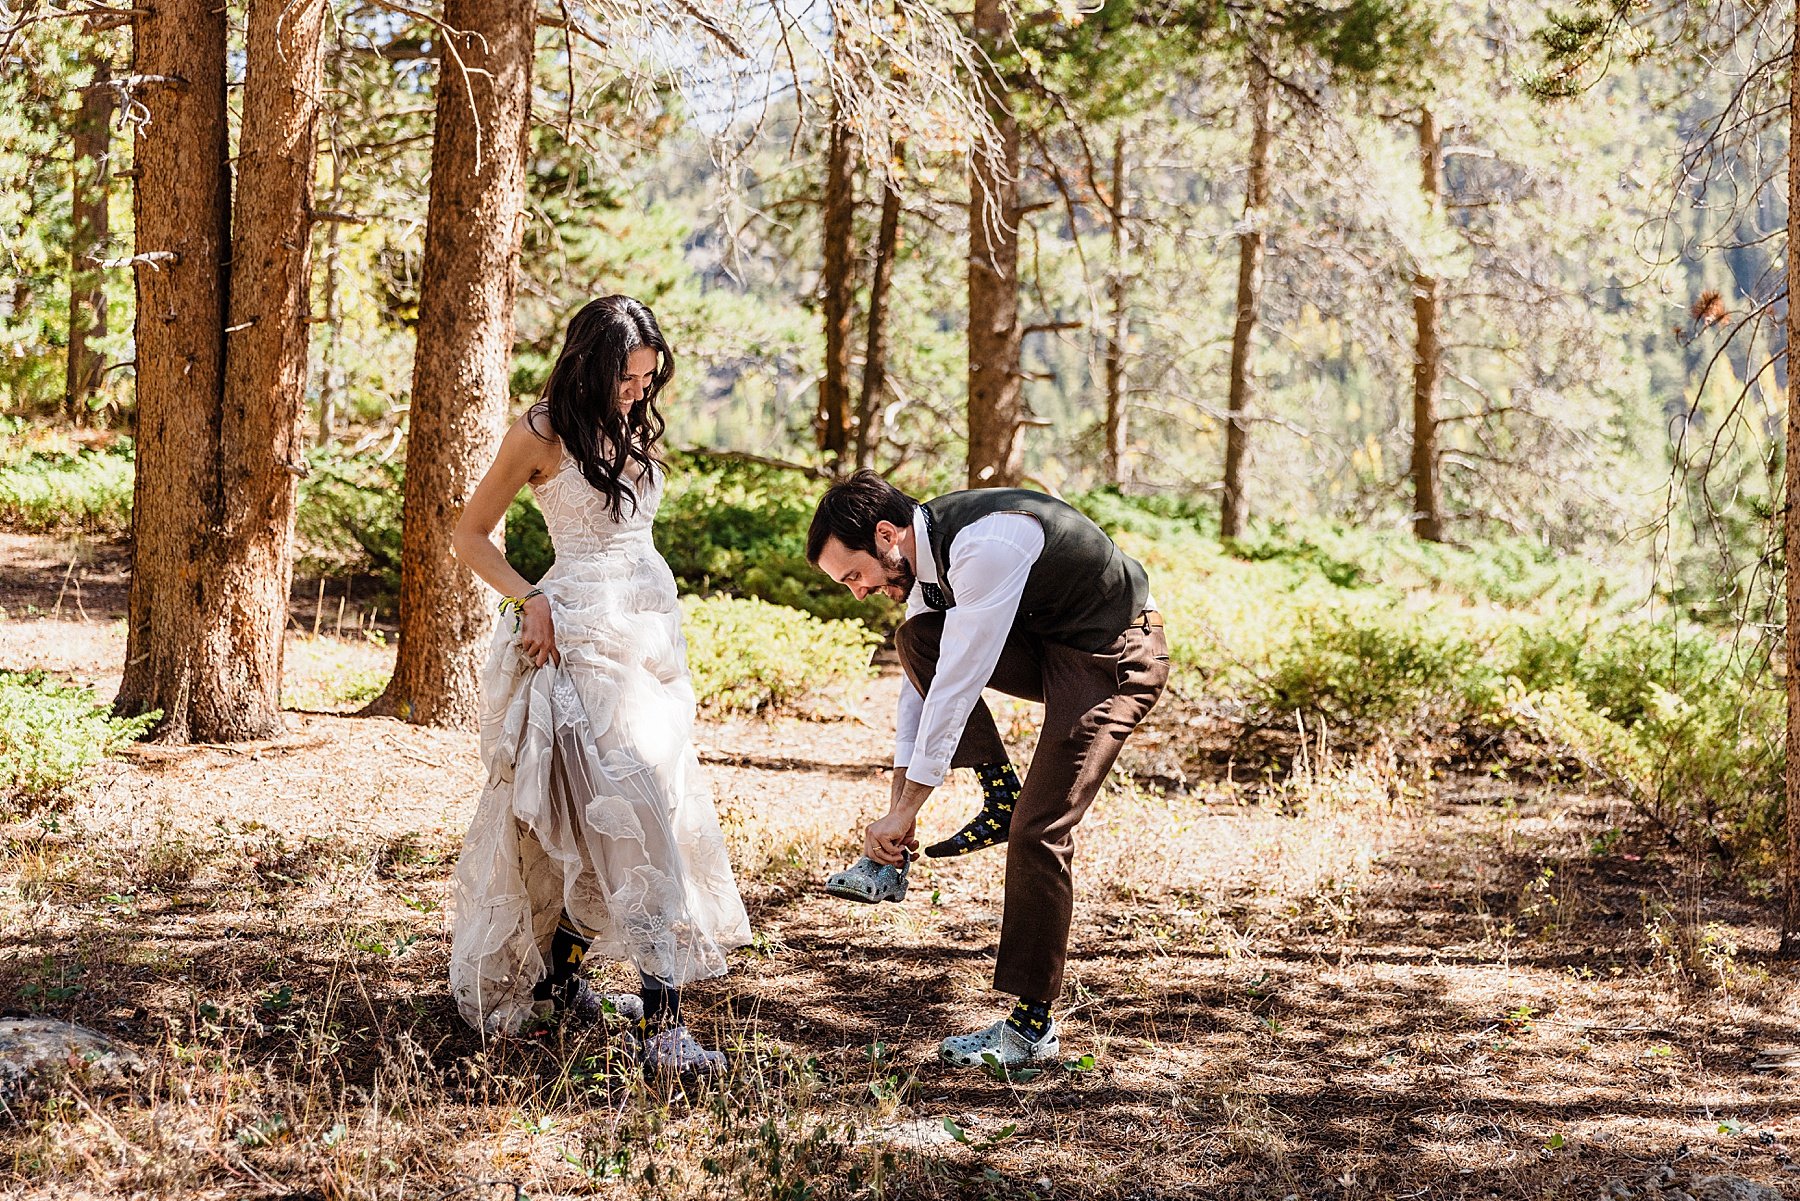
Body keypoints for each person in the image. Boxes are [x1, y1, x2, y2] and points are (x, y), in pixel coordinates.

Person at [446, 295, 750, 1074]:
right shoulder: (541, 432)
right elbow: (468, 534)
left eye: (649, 379)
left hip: (650, 634)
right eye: (628, 377)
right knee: (633, 808)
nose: (639, 392)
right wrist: (528, 598)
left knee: (644, 807)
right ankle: (663, 1030)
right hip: (575, 637)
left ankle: (563, 982)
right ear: (592, 364)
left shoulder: (630, 423)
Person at [808, 472, 1169, 1068]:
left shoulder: (985, 546)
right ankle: (1000, 793)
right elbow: (920, 685)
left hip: (1114, 657)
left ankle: (1031, 1032)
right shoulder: (922, 561)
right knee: (918, 639)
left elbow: (957, 684)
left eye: (855, 575)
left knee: (1039, 830)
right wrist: (896, 815)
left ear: (885, 536)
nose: (858, 591)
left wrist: (906, 810)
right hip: (1049, 645)